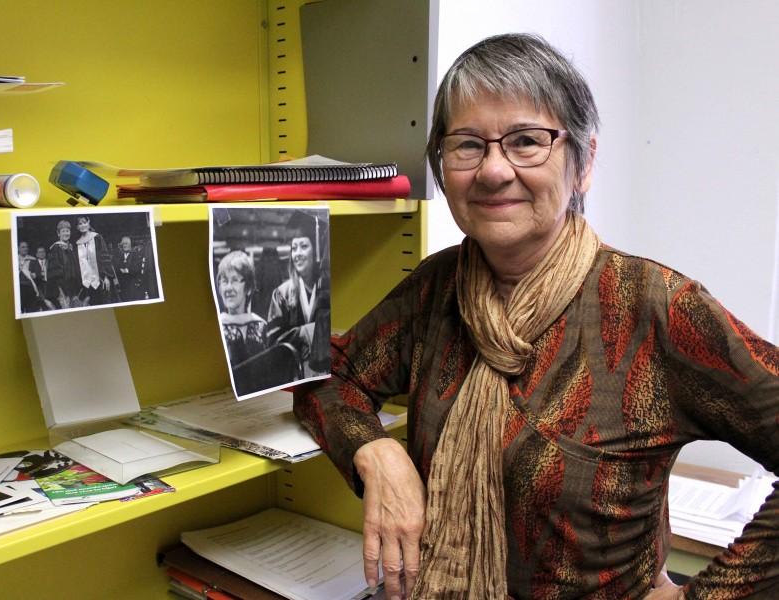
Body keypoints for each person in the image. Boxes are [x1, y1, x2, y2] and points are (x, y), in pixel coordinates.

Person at [293, 33, 778, 600]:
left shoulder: (654, 307)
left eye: (527, 141)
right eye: (468, 145)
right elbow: (325, 373)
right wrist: (375, 453)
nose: (494, 171)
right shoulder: (435, 290)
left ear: (584, 162)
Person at [267, 210, 331, 378]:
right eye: (294, 248)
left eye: (304, 246)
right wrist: (307, 332)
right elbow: (273, 344)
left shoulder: (326, 289)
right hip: (295, 376)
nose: (298, 254)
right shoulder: (282, 294)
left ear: (315, 250)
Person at [217, 250, 267, 366]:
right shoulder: (216, 328)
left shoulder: (261, 327)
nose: (228, 288)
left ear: (249, 288)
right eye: (224, 281)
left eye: (234, 280)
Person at [74, 215, 116, 306]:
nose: (82, 225)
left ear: (88, 223)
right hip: (86, 284)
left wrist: (106, 277)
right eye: (80, 224)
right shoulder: (77, 243)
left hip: (101, 280)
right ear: (77, 227)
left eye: (84, 222)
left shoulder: (97, 237)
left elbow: (104, 257)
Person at [46, 219, 81, 309]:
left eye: (68, 231)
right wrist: (62, 289)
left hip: (73, 287)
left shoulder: (71, 248)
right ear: (58, 234)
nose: (66, 233)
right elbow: (55, 271)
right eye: (63, 231)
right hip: (62, 288)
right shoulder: (56, 248)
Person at [114, 235, 144, 301]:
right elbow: (116, 268)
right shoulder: (120, 256)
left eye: (126, 243)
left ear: (130, 245)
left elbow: (138, 268)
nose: (124, 245)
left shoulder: (136, 255)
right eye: (123, 244)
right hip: (123, 285)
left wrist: (127, 270)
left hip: (133, 285)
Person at [16, 240, 41, 313]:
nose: (25, 249)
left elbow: (39, 274)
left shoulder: (33, 260)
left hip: (30, 289)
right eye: (23, 247)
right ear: (18, 248)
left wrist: (35, 275)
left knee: (31, 310)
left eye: (26, 247)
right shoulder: (15, 260)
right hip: (19, 289)